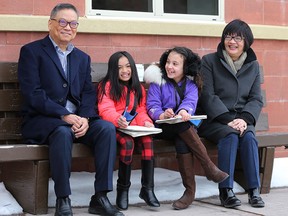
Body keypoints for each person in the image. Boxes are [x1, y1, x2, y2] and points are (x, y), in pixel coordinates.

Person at [17, 3, 124, 216]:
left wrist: (84, 117)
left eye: (73, 23)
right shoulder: (32, 52)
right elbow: (33, 94)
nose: (68, 27)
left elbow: (87, 93)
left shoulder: (82, 58)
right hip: (44, 121)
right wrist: (64, 115)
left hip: (76, 120)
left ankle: (100, 197)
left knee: (105, 129)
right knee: (62, 131)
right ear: (50, 24)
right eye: (63, 22)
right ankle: (62, 199)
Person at [144, 46, 229, 210]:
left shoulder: (191, 84)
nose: (170, 66)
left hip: (182, 128)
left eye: (175, 64)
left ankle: (189, 191)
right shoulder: (157, 81)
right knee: (182, 126)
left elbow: (190, 102)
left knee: (182, 138)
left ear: (185, 67)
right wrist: (162, 115)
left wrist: (183, 111)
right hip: (162, 128)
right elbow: (152, 105)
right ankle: (209, 168)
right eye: (168, 62)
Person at [196, 19, 265, 208]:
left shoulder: (253, 65)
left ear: (246, 43)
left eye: (238, 38)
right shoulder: (209, 61)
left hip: (241, 120)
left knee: (249, 136)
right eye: (228, 36)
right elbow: (207, 95)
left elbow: (256, 99)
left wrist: (244, 119)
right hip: (215, 119)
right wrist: (230, 120)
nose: (232, 41)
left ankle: (254, 190)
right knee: (231, 134)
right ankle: (225, 190)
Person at [97, 51, 160, 211]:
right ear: (113, 70)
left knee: (147, 140)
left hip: (133, 128)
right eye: (119, 68)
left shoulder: (137, 88)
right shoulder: (107, 86)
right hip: (116, 127)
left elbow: (140, 110)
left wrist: (146, 122)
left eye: (127, 66)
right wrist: (117, 119)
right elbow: (105, 109)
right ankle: (122, 190)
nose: (125, 70)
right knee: (127, 143)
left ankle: (147, 189)